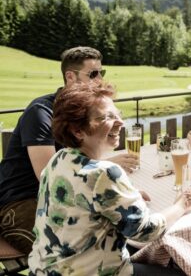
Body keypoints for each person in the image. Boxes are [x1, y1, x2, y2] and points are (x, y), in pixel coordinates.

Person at [28, 81, 191, 275]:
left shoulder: (58, 159)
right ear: (78, 130)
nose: (120, 122)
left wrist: (125, 198)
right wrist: (181, 205)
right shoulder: (104, 172)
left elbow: (84, 203)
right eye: (108, 117)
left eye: (118, 114)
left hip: (43, 268)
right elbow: (146, 232)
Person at [0, 46, 138, 254]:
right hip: (22, 201)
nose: (99, 79)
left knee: (116, 235)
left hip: (60, 199)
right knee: (75, 253)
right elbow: (49, 176)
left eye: (102, 72)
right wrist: (108, 168)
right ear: (70, 77)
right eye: (93, 74)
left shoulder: (83, 113)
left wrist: (118, 195)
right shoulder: (42, 112)